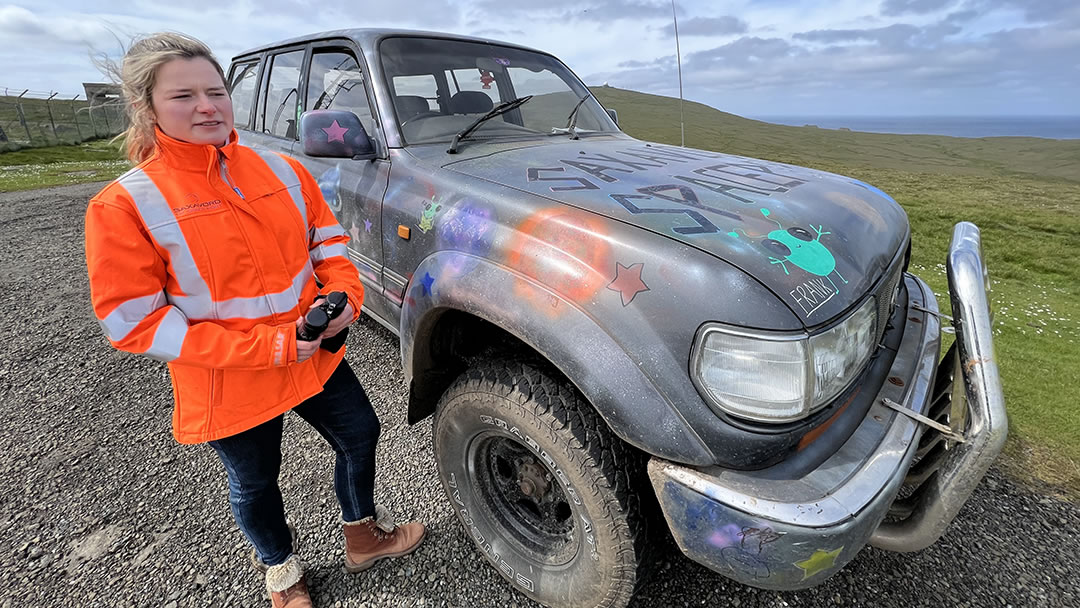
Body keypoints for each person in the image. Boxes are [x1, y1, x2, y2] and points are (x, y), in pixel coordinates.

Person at [84, 32, 425, 608]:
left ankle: (363, 535)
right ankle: (281, 573)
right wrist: (267, 348)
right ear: (146, 108)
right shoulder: (123, 205)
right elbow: (134, 322)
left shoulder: (283, 169)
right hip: (230, 375)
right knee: (255, 481)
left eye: (215, 92)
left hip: (313, 352)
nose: (207, 107)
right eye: (183, 96)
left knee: (360, 434)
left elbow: (330, 247)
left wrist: (343, 298)